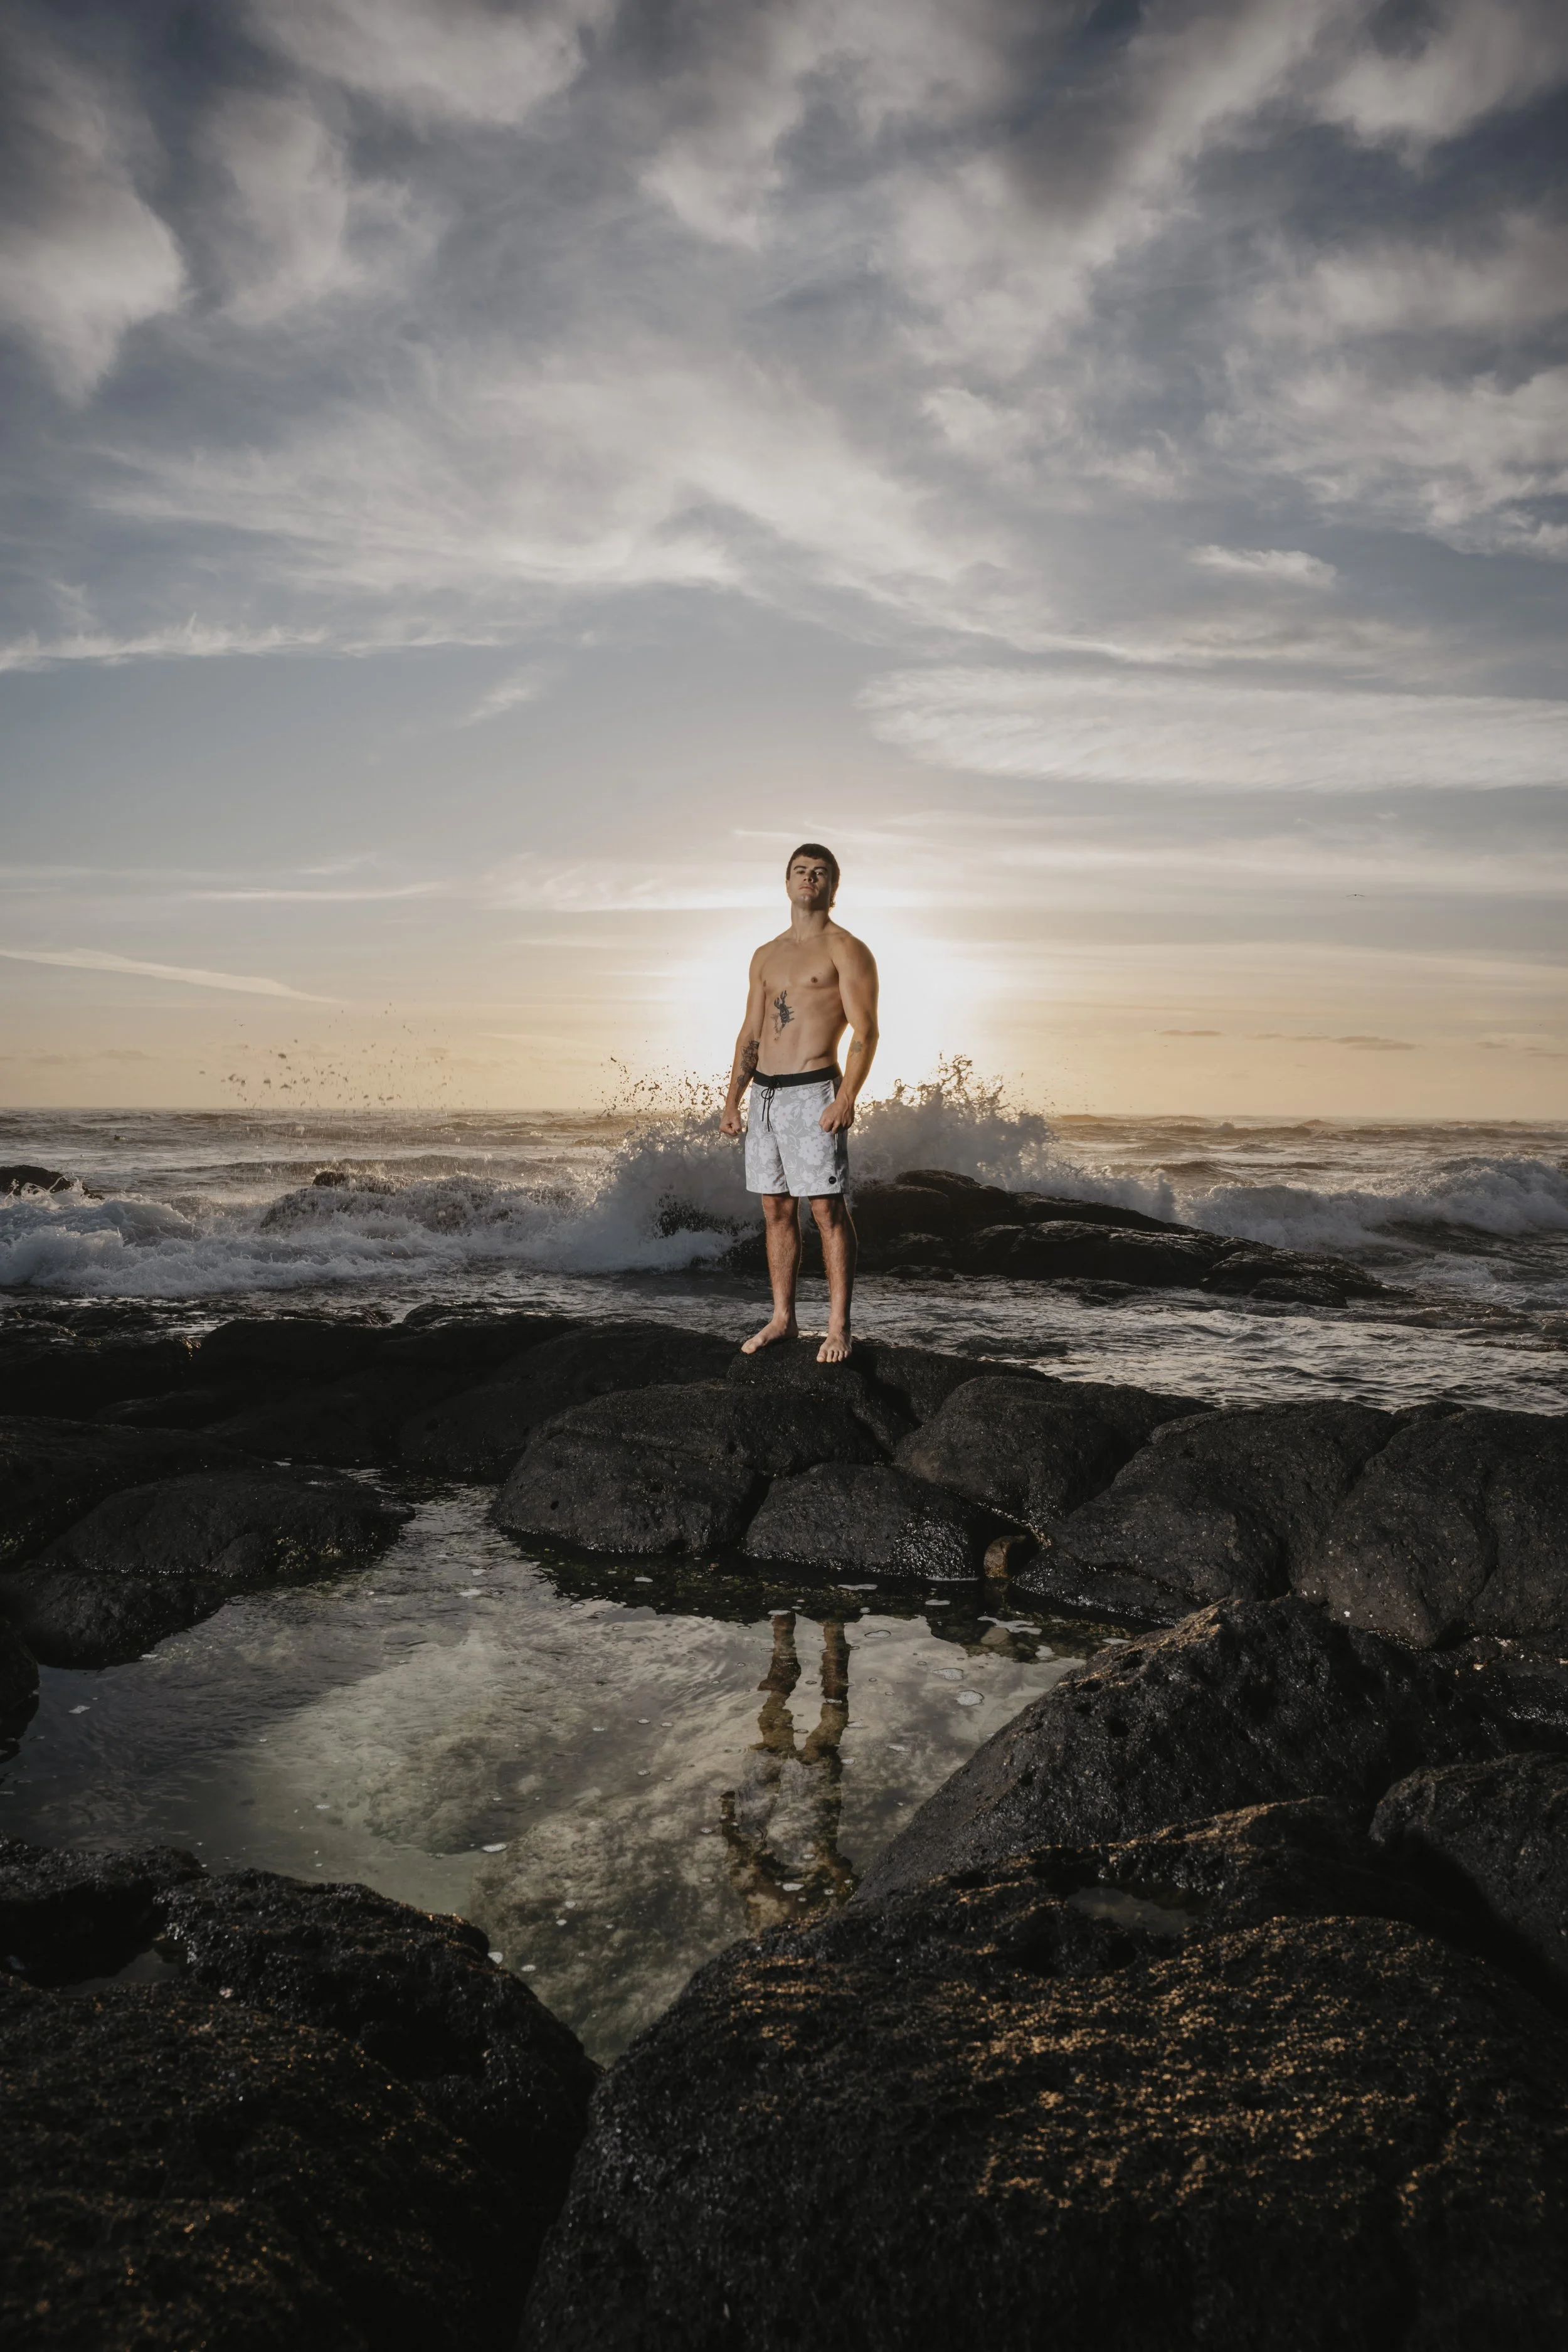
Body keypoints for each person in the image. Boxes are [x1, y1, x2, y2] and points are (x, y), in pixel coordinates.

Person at [719, 842, 879, 1363]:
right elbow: (750, 1030)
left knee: (827, 1210)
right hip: (764, 1094)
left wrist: (847, 1097)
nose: (809, 879)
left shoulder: (846, 948)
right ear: (786, 883)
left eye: (820, 872)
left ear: (834, 886)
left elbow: (866, 1029)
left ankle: (839, 1329)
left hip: (814, 1091)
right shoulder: (765, 954)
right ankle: (783, 1319)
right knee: (774, 1208)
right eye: (800, 871)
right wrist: (733, 1100)